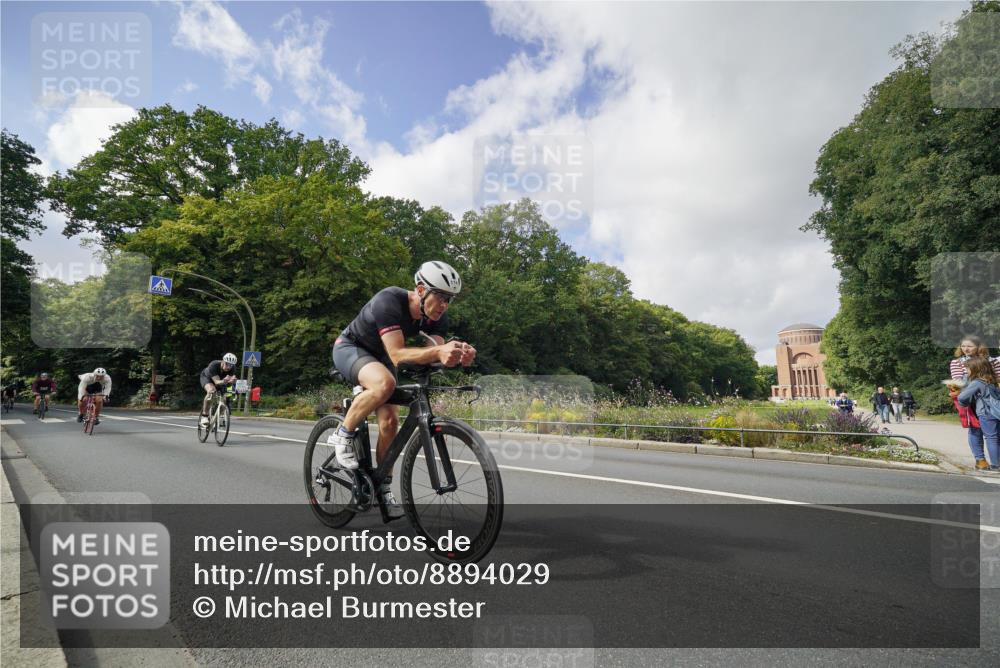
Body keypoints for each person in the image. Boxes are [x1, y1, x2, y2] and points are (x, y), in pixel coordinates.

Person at [330, 260, 475, 516]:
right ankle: (343, 434)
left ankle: (382, 486)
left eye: (449, 299)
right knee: (385, 383)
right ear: (420, 290)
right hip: (352, 347)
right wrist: (439, 350)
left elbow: (432, 356)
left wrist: (455, 355)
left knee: (390, 422)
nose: (444, 305)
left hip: (382, 356)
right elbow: (397, 355)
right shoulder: (389, 300)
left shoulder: (437, 318)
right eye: (440, 296)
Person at [948, 335, 1000, 470]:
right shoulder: (957, 362)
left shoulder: (991, 360)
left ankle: (995, 463)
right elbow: (958, 383)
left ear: (979, 346)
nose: (966, 349)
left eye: (970, 346)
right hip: (970, 400)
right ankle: (980, 460)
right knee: (975, 430)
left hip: (985, 401)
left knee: (992, 435)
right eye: (963, 346)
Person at [956, 357, 1000, 471]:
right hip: (996, 413)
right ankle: (997, 462)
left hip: (986, 413)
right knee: (996, 438)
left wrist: (964, 403)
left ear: (975, 369)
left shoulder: (977, 382)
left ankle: (995, 465)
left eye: (968, 369)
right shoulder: (992, 380)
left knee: (991, 438)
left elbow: (962, 397)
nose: (967, 371)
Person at [199, 353, 239, 428]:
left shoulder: (232, 368)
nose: (228, 367)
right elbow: (216, 382)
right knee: (212, 391)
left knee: (224, 398)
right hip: (207, 378)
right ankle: (204, 416)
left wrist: (231, 382)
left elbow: (228, 384)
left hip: (221, 380)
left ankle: (216, 417)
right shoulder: (214, 365)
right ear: (223, 361)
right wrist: (225, 381)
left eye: (231, 365)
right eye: (227, 364)